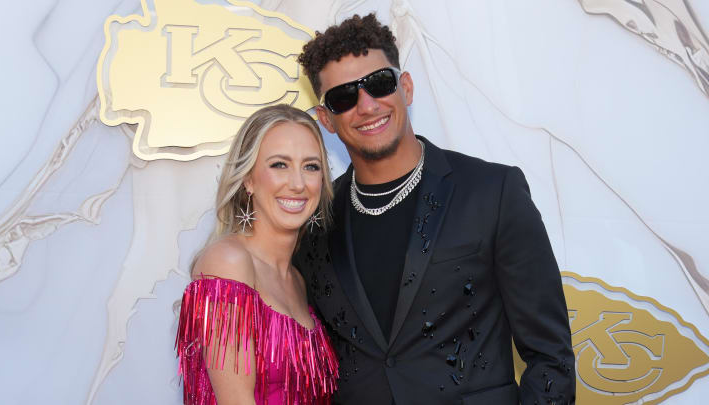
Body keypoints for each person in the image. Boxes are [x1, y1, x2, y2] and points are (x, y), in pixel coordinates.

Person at [294, 14, 576, 404]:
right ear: (326, 118)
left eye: (379, 84)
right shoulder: (314, 223)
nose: (366, 105)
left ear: (405, 87)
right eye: (344, 97)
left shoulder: (493, 192)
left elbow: (551, 359)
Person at [175, 105, 339, 405]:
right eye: (279, 165)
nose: (298, 183)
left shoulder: (299, 280)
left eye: (311, 166)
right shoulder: (228, 264)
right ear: (248, 179)